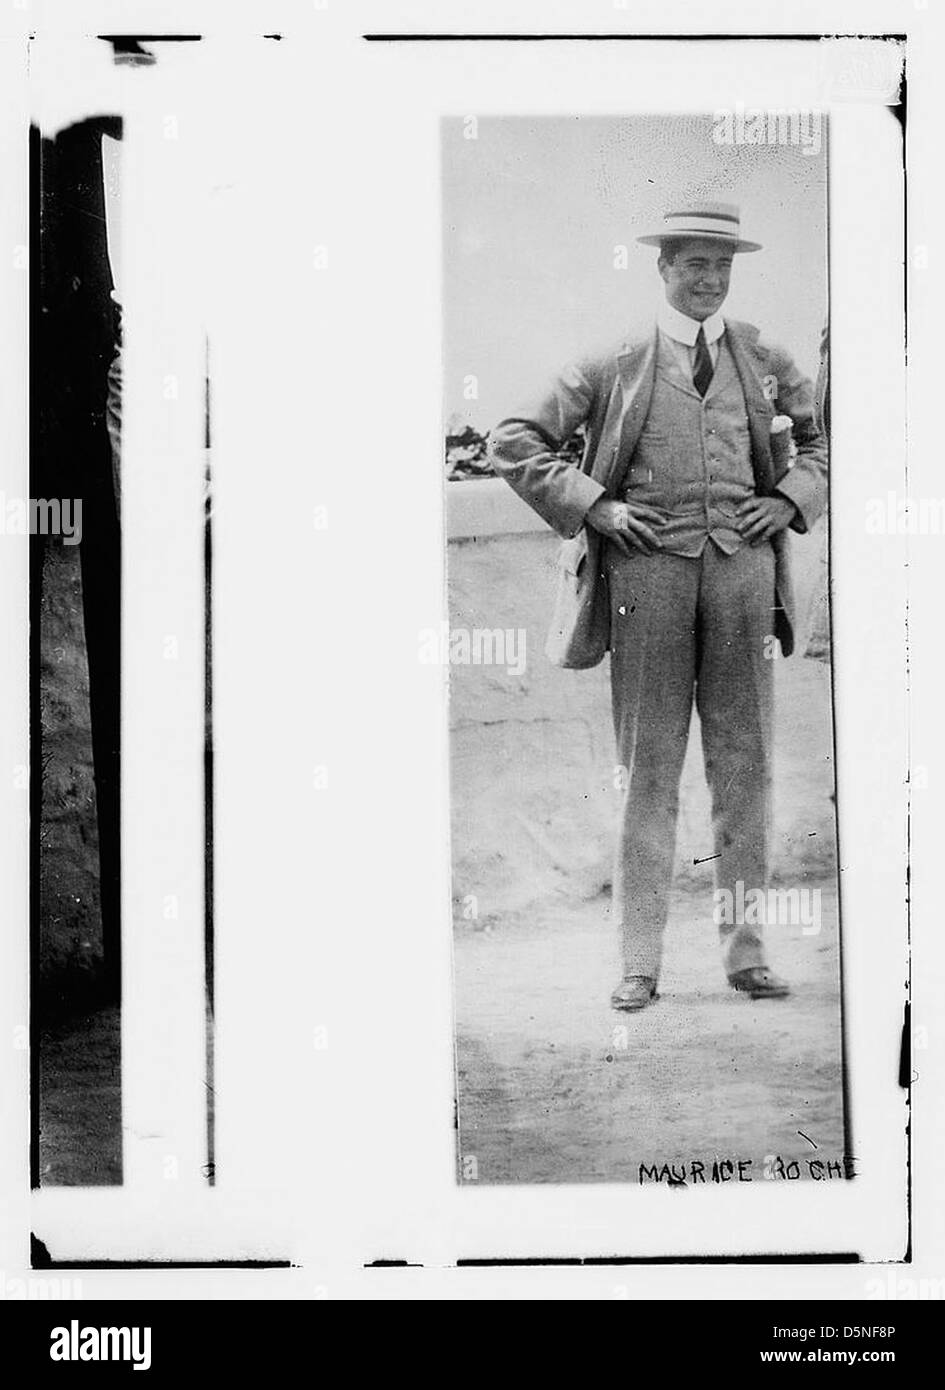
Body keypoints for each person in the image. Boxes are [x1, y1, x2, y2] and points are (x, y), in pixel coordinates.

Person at [489, 201, 827, 1010]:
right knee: (647, 773)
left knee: (744, 771)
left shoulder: (762, 354)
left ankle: (745, 956)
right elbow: (513, 438)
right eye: (694, 265)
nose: (709, 281)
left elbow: (822, 443)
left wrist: (786, 497)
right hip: (646, 581)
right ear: (663, 269)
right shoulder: (614, 358)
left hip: (743, 577)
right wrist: (595, 505)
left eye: (722, 266)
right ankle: (637, 961)